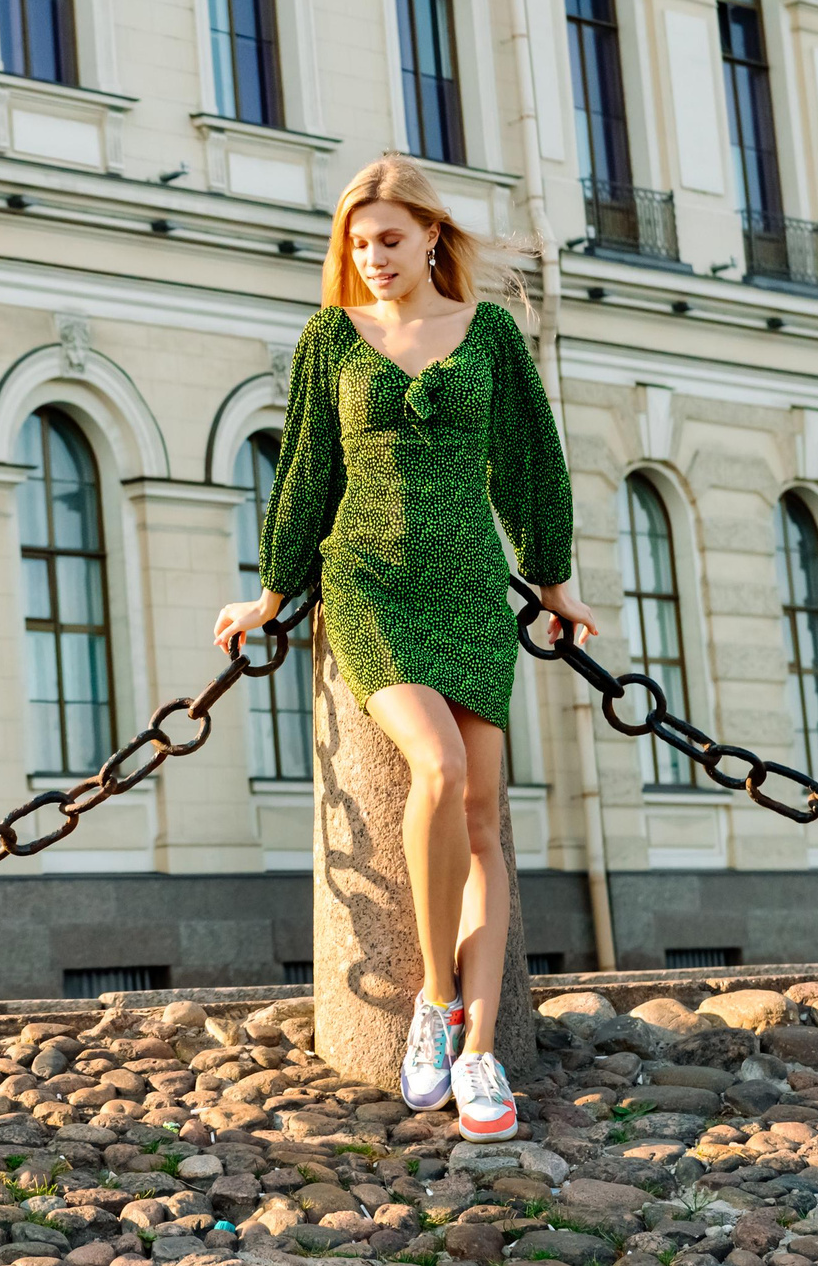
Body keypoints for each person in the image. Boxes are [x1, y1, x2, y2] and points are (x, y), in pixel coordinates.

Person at [213, 153, 592, 1143]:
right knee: (437, 763)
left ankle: (477, 1055)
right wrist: (271, 590)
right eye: (355, 240)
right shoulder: (330, 339)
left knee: (480, 816)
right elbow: (304, 467)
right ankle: (436, 1000)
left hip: (468, 580)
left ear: (431, 235)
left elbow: (530, 461)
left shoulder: (491, 334)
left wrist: (552, 580)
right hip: (369, 580)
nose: (370, 256)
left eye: (388, 237)